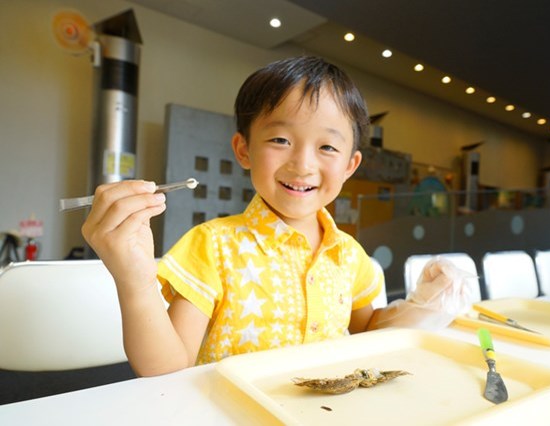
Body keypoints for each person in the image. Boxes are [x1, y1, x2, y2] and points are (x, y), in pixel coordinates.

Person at [82, 56, 456, 377]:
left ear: (350, 165)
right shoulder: (212, 246)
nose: (303, 164)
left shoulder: (349, 255)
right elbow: (166, 369)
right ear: (244, 149)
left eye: (327, 146)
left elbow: (366, 333)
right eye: (281, 140)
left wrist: (421, 305)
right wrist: (135, 278)